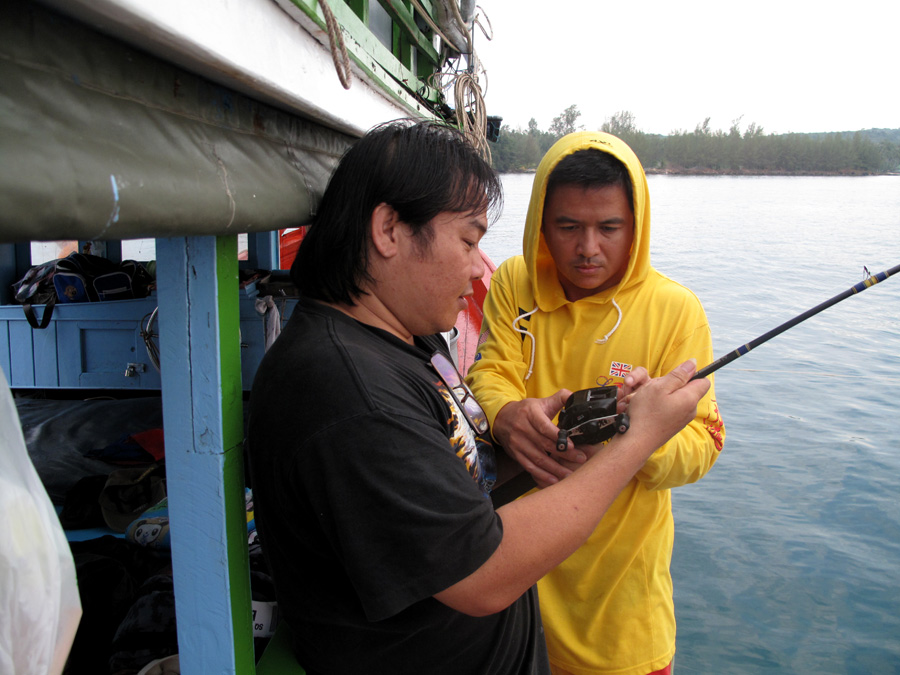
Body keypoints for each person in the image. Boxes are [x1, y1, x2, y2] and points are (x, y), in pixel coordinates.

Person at [247, 120, 711, 675]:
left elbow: (446, 476)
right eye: (468, 240)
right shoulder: (350, 393)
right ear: (389, 229)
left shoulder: (395, 343)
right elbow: (485, 575)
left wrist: (544, 443)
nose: (477, 269)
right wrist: (637, 440)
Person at [466, 131, 726, 675]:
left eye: (609, 228)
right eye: (568, 227)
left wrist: (645, 437)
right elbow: (492, 369)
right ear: (542, 223)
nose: (588, 248)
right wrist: (507, 414)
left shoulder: (676, 311)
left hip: (618, 620)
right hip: (510, 585)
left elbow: (704, 441)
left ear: (637, 226)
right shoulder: (516, 282)